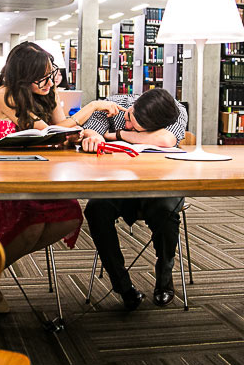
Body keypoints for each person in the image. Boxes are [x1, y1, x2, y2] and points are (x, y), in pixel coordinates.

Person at [0, 42, 122, 312]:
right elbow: (49, 131)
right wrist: (90, 108)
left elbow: (61, 130)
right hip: (3, 176)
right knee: (33, 225)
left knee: (69, 217)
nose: (49, 82)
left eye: (50, 74)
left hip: (40, 170)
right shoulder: (5, 94)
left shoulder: (48, 91)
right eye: (41, 77)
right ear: (23, 76)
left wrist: (87, 133)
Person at [80, 88, 188, 311]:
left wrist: (118, 135)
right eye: (130, 118)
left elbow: (166, 140)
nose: (128, 124)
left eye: (138, 129)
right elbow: (93, 133)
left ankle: (164, 279)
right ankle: (123, 287)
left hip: (160, 184)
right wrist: (94, 137)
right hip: (117, 184)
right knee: (95, 209)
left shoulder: (176, 111)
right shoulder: (112, 106)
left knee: (167, 211)